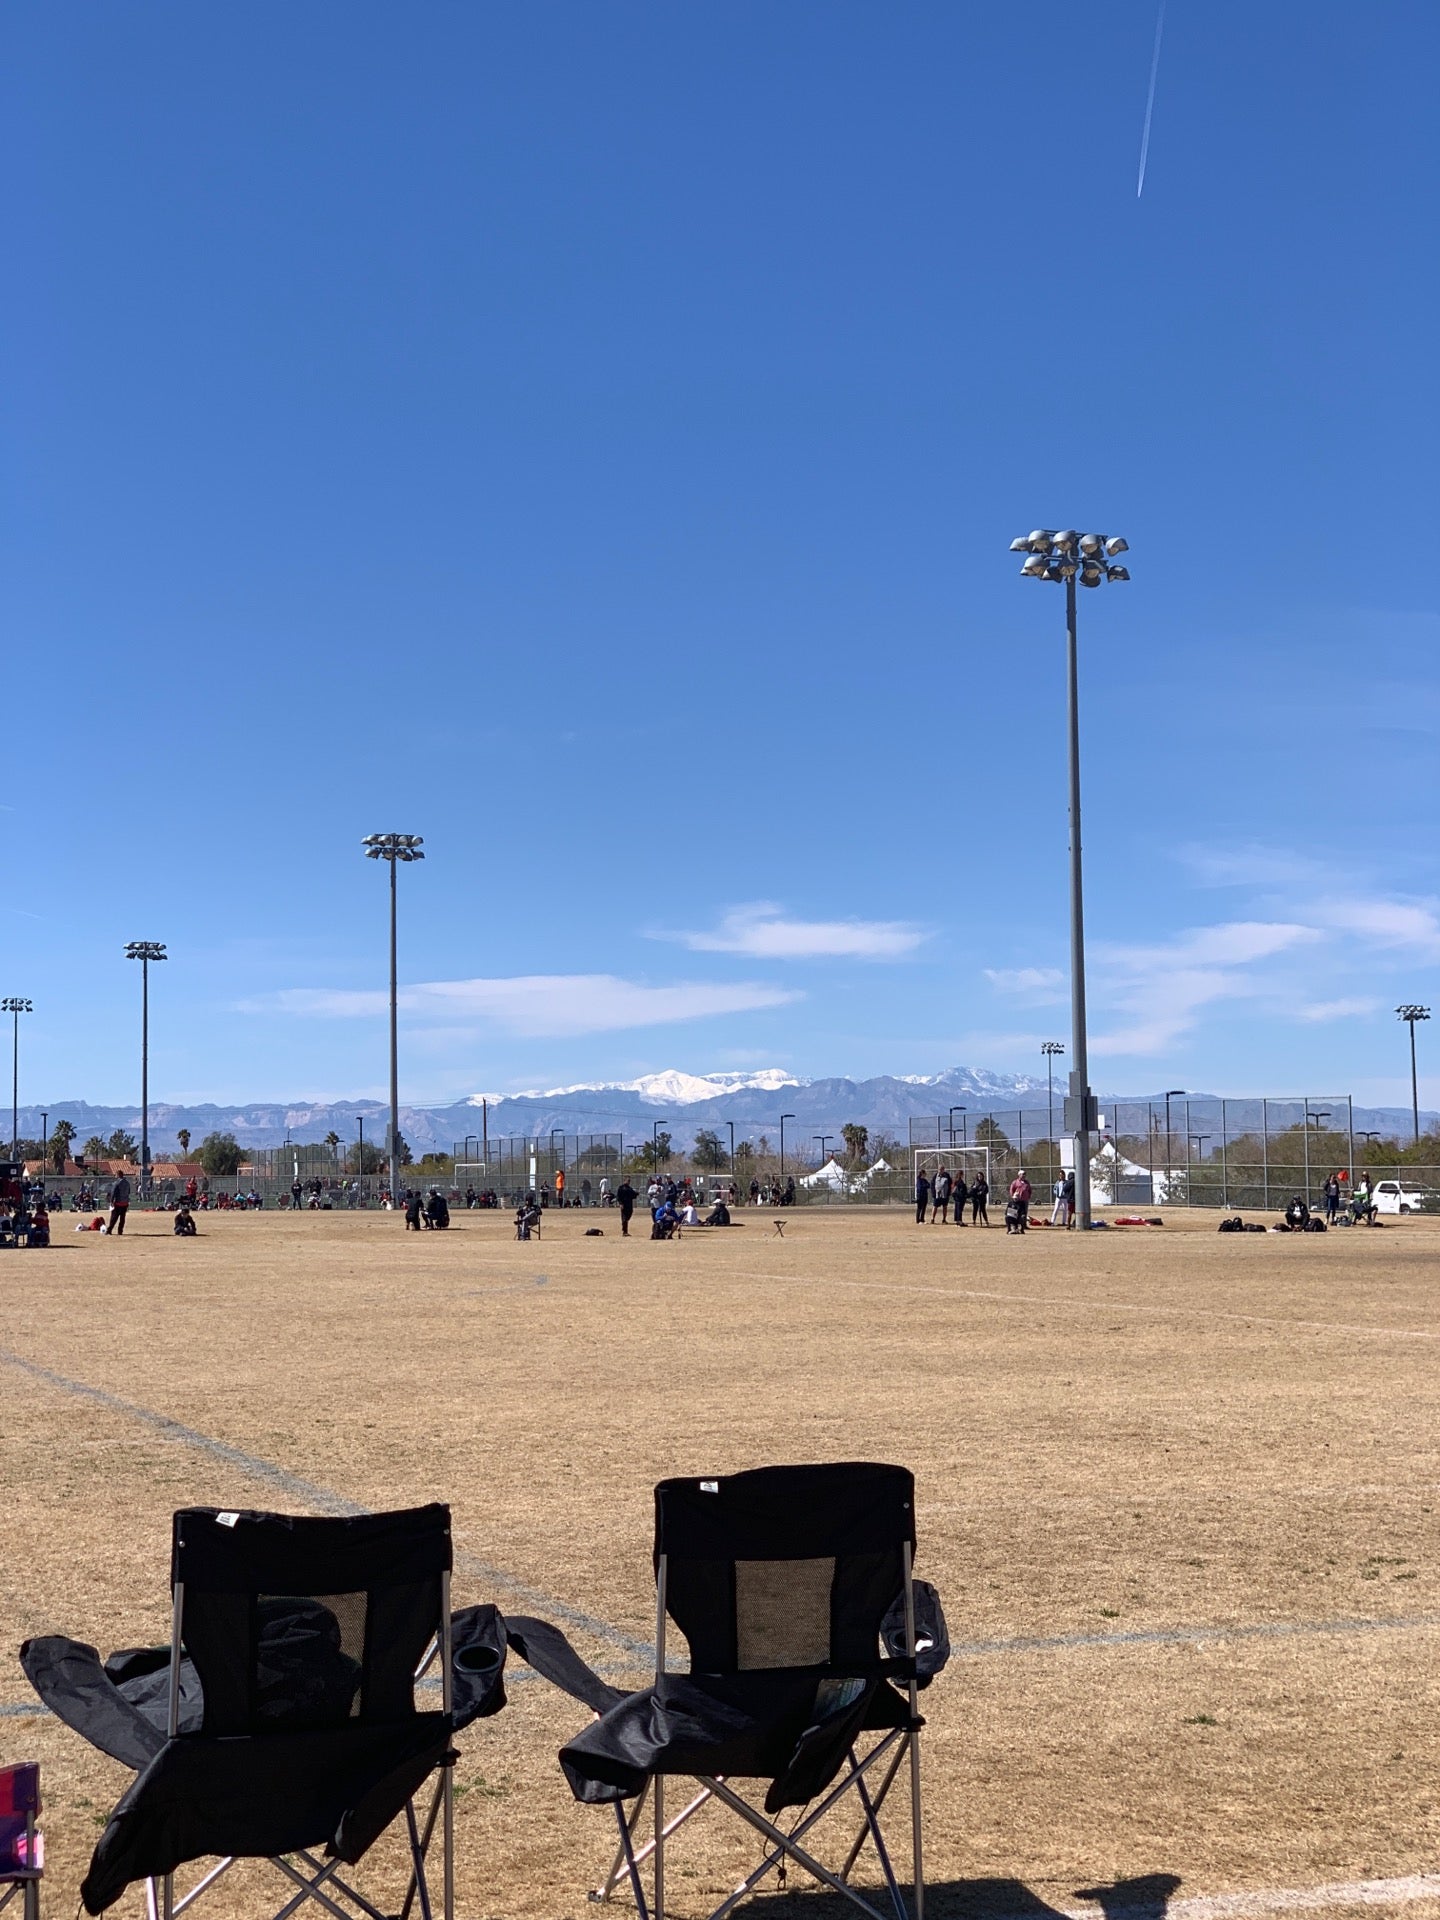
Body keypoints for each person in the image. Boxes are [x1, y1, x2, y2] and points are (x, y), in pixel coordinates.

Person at [1009, 1169, 1033, 1233]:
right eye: (1022, 1174)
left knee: (1024, 1213)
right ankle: (1015, 1225)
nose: (1024, 1176)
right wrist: (1013, 1197)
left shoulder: (1026, 1182)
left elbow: (1029, 1190)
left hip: (1025, 1200)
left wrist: (1029, 1196)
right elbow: (1012, 1189)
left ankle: (1024, 1225)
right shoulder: (1015, 1182)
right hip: (1017, 1200)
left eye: (1025, 1174)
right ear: (1019, 1175)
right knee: (1015, 1213)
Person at [108, 1170, 131, 1237]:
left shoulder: (116, 1183)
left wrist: (111, 1201)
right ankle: (120, 1231)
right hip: (125, 1202)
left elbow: (113, 1192)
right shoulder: (127, 1183)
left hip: (118, 1203)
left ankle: (109, 1230)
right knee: (122, 1218)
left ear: (118, 1175)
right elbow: (129, 1192)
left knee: (114, 1217)